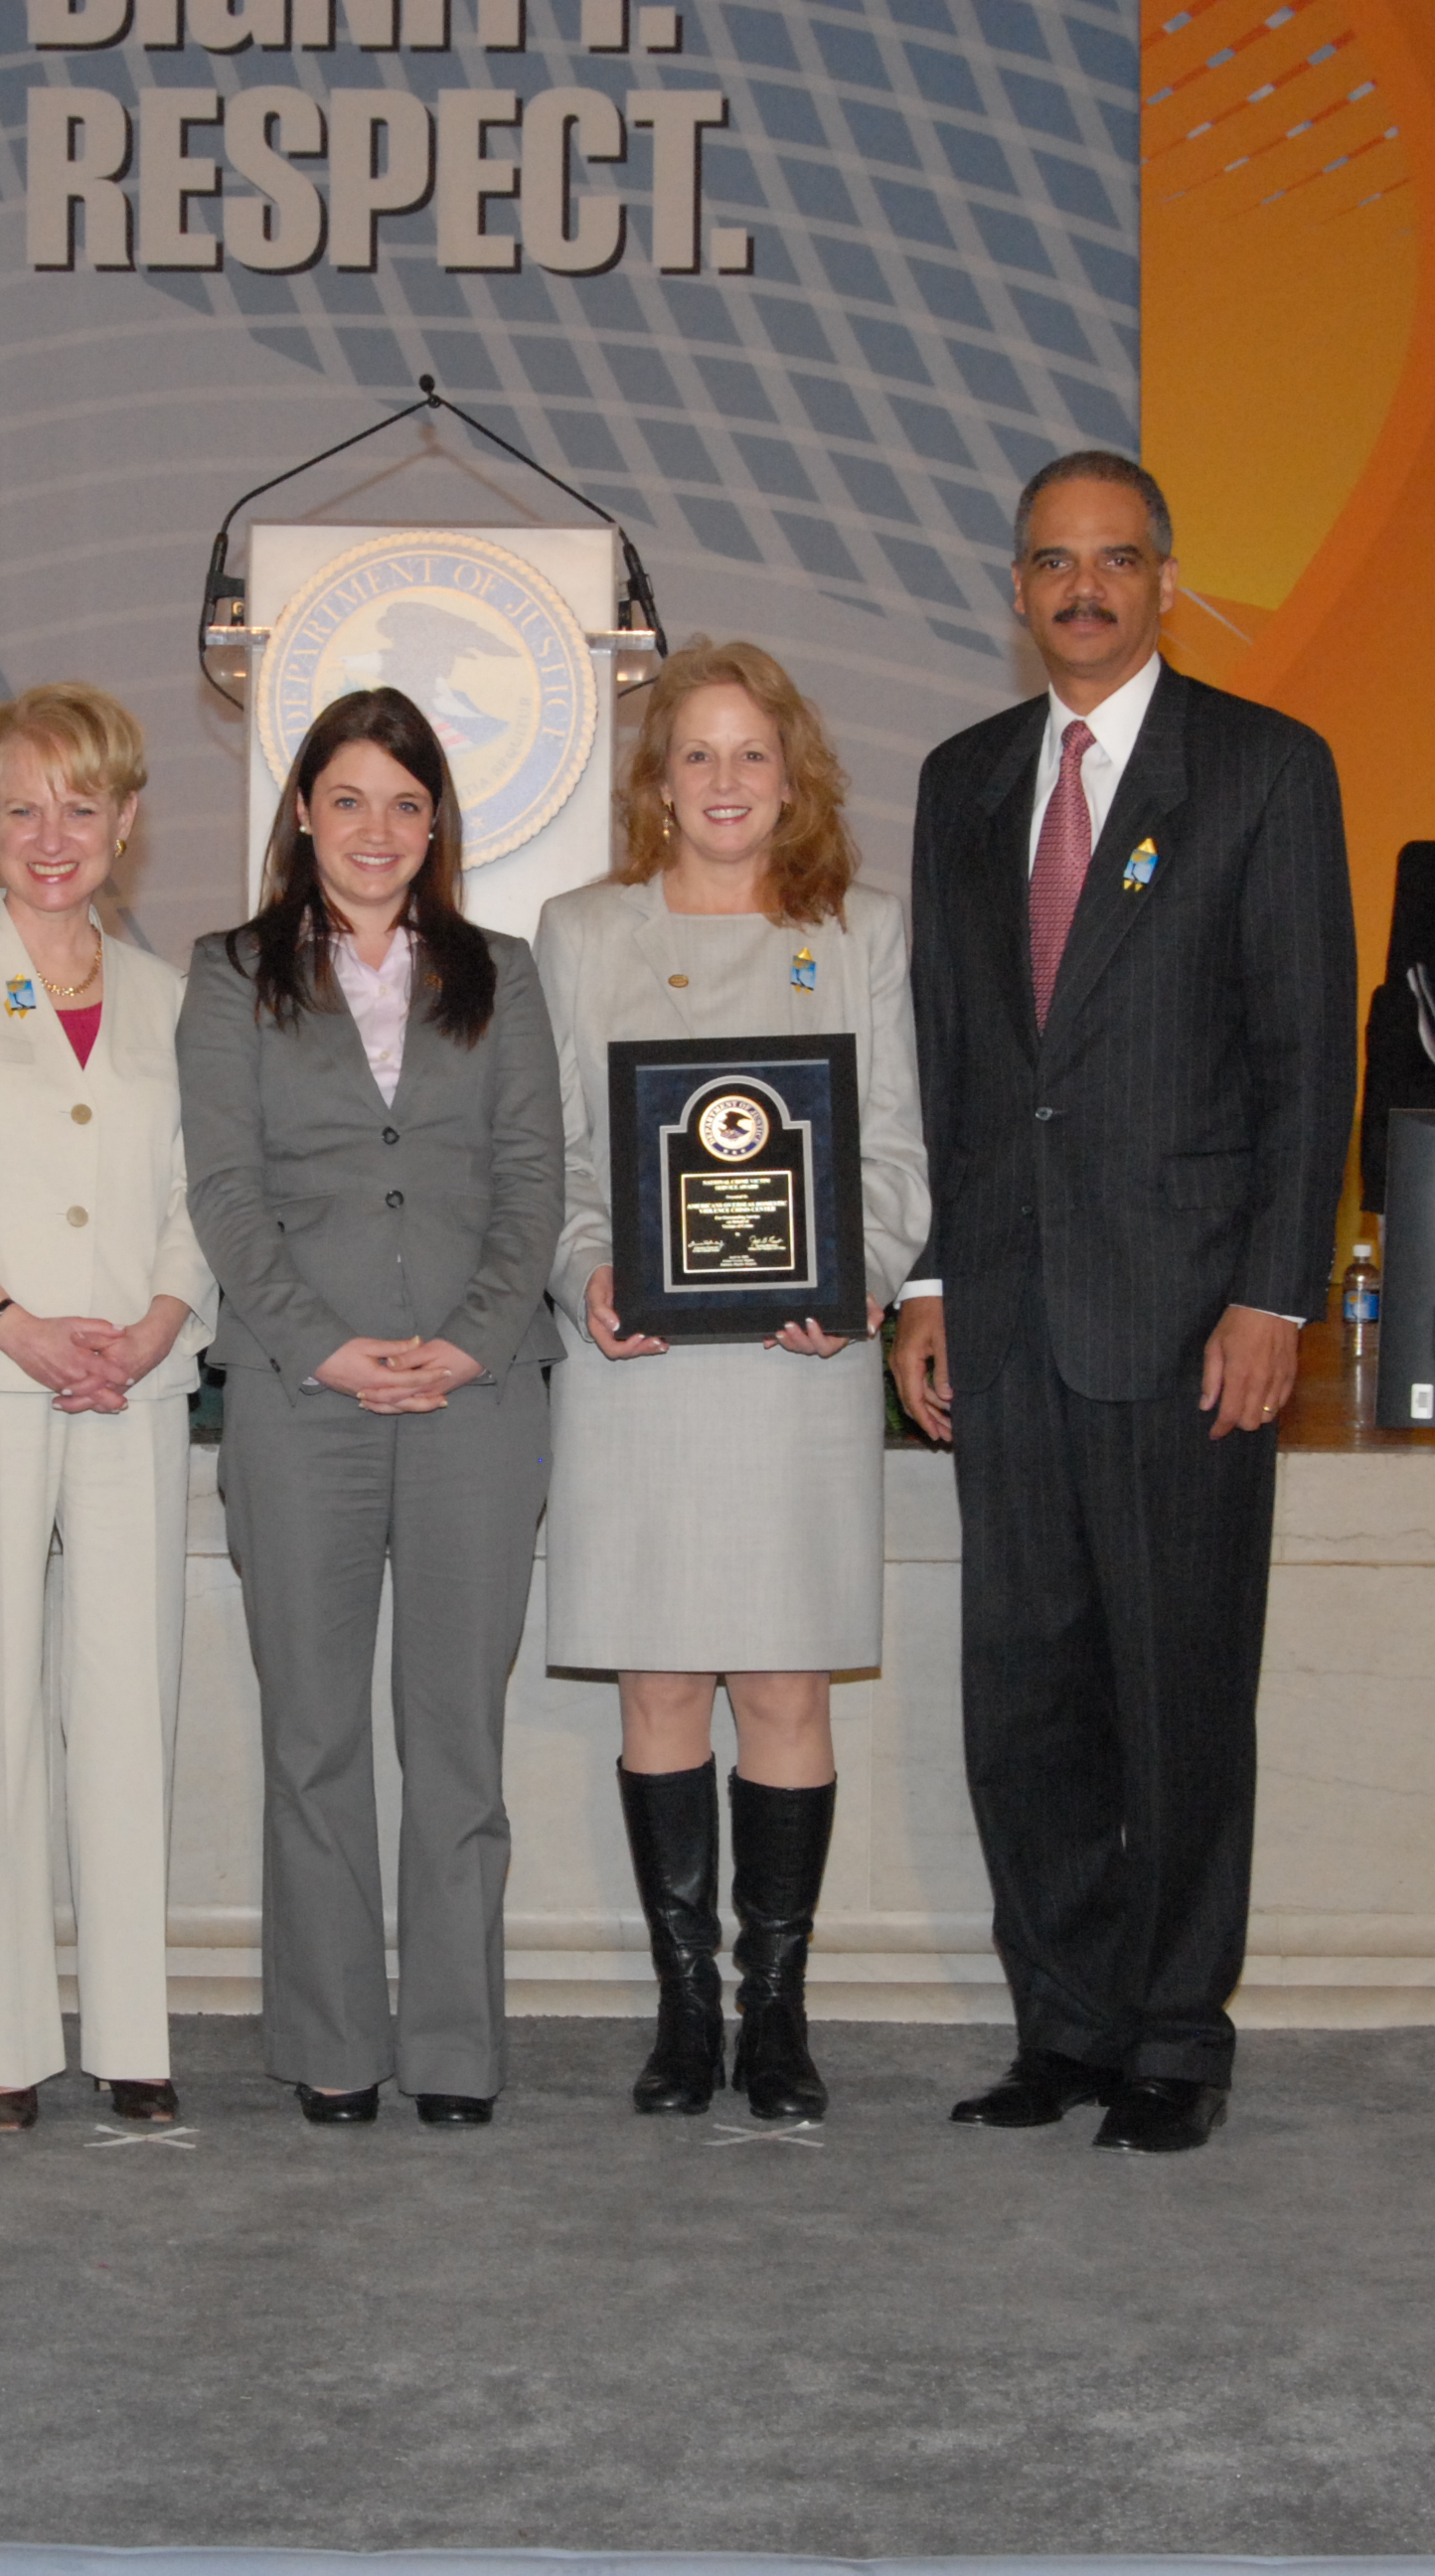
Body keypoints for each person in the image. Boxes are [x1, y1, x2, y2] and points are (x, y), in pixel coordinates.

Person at [888, 451, 1355, 2156]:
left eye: (1116, 559)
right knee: (1026, 1698)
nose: (1082, 587)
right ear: (1014, 590)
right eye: (1051, 562)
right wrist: (926, 1277)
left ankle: (1174, 2033)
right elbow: (950, 1046)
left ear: (1166, 577)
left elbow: (1313, 1058)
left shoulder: (1260, 769)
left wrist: (1273, 1296)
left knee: (1175, 1690)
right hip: (1003, 1319)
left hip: (1185, 1327)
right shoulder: (959, 781)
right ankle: (1064, 2027)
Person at [535, 640, 927, 2123]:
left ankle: (780, 2015)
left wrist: (864, 1277)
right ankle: (684, 2012)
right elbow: (565, 1156)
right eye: (694, 755)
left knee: (779, 1682)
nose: (723, 783)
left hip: (796, 1364)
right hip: (638, 1371)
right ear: (656, 782)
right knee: (656, 1682)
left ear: (795, 775)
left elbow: (891, 1148)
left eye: (750, 755)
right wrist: (589, 1271)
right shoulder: (581, 935)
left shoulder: (861, 934)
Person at [177, 687, 562, 2128]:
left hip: (479, 1399)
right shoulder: (230, 975)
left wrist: (469, 1342)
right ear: (299, 813)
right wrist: (324, 1347)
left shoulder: (504, 975)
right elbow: (226, 1190)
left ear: (436, 823)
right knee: (315, 1736)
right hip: (302, 1398)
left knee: (457, 1738)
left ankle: (458, 2049)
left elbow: (535, 1186)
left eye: (406, 803)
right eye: (348, 799)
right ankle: (334, 2040)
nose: (377, 830)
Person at [0, 684, 214, 2134]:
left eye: (82, 807)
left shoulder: (180, 1002)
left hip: (135, 1380)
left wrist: (155, 1323)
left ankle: (133, 2030)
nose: (51, 837)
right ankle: (4, 2042)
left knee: (131, 1704)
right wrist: (11, 1327)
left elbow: (206, 1200)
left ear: (128, 821)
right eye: (21, 809)